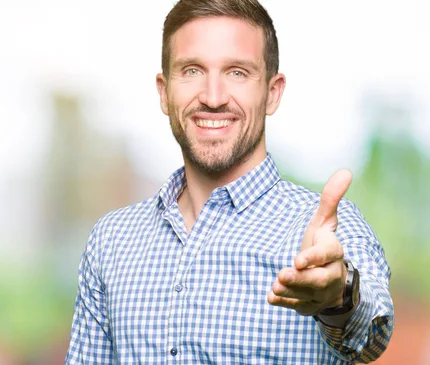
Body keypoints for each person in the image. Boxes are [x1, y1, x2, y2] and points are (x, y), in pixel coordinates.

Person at [64, 0, 394, 363]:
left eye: (237, 72)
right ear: (163, 91)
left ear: (272, 92)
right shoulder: (111, 241)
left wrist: (338, 296)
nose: (213, 97)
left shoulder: (327, 229)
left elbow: (371, 336)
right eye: (191, 70)